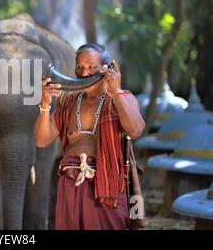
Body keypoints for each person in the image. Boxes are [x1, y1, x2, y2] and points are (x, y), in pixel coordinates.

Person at [35, 43, 145, 230]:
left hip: (107, 186)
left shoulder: (123, 98)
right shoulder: (67, 100)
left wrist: (116, 91)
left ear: (107, 69)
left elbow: (136, 131)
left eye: (92, 67)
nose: (84, 73)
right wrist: (45, 104)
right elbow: (41, 140)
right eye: (80, 67)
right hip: (70, 184)